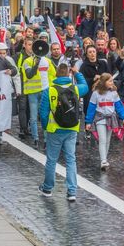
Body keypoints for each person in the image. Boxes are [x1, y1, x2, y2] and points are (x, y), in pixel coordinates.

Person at [39, 64, 88, 201]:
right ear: (68, 74)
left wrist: (45, 127)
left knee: (52, 160)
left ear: (56, 74)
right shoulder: (76, 89)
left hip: (55, 130)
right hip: (72, 129)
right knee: (71, 160)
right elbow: (86, 86)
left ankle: (47, 188)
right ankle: (72, 191)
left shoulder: (49, 91)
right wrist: (77, 73)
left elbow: (43, 113)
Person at [85, 73, 124, 171]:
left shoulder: (114, 93)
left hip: (111, 118)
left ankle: (105, 158)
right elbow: (91, 108)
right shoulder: (96, 93)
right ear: (104, 82)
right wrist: (88, 122)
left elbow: (119, 106)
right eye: (110, 81)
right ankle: (103, 160)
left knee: (108, 140)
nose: (112, 83)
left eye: (112, 81)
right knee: (102, 139)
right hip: (100, 118)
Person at [79, 45, 109, 117]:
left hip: (103, 92)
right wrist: (93, 79)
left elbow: (109, 76)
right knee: (90, 114)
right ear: (87, 55)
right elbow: (82, 81)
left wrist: (102, 77)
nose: (92, 53)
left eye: (93, 51)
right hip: (90, 94)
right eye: (90, 52)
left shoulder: (103, 63)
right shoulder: (84, 66)